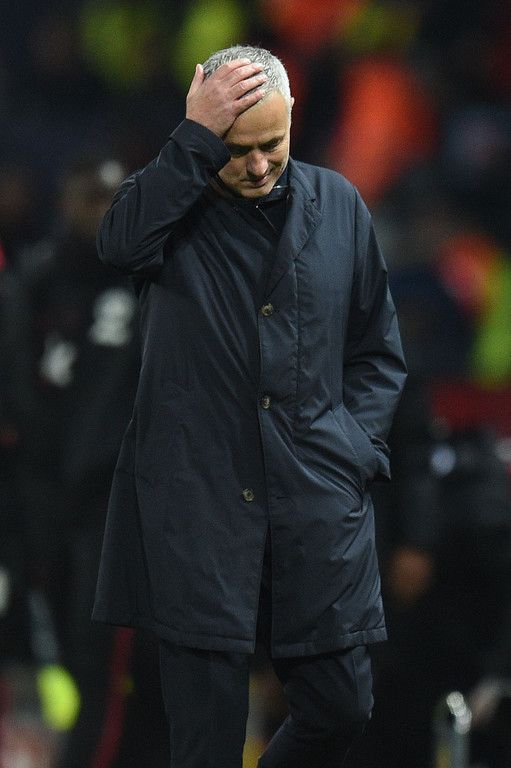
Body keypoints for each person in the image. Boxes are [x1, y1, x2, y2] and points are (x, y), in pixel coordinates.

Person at [92, 45, 407, 768]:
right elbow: (116, 244)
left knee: (341, 706)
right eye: (236, 150)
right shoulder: (169, 204)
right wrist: (193, 141)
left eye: (273, 143)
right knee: (204, 744)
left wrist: (350, 452)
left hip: (312, 504)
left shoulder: (340, 206)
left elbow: (376, 353)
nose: (259, 165)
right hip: (199, 511)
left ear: (293, 114)